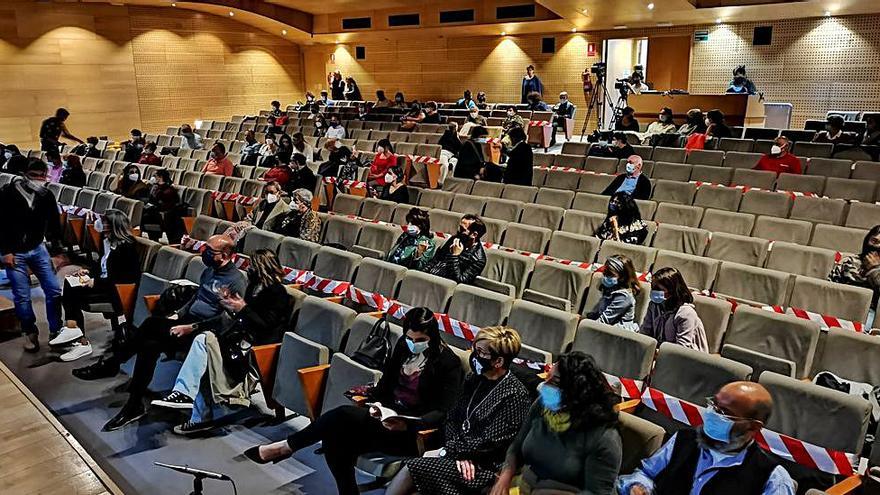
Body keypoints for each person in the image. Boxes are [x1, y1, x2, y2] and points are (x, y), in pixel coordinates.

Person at [245, 307, 464, 495]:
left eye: (421, 340)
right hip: (387, 419)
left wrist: (409, 423)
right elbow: (386, 386)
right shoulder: (402, 347)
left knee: (342, 415)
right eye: (410, 338)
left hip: (412, 432)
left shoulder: (448, 363)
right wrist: (377, 405)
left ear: (432, 336)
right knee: (335, 437)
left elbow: (443, 412)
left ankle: (286, 447)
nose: (413, 344)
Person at [102, 234, 249, 431]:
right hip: (186, 323)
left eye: (209, 251)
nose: (203, 253)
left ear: (224, 255)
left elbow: (227, 321)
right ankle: (133, 403)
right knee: (149, 344)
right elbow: (196, 298)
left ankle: (115, 363)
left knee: (151, 325)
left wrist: (190, 327)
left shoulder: (236, 282)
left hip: (205, 335)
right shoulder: (209, 272)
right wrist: (177, 315)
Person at [153, 249, 293, 434]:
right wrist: (231, 306)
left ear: (261, 267)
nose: (248, 268)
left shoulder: (277, 293)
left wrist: (242, 308)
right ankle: (192, 406)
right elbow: (241, 318)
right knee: (201, 349)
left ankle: (191, 403)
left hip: (255, 350)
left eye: (252, 264)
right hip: (235, 339)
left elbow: (266, 326)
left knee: (202, 343)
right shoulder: (253, 287)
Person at [386, 326, 531, 495]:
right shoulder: (473, 379)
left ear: (498, 362)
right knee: (415, 477)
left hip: (485, 466)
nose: (474, 355)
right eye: (474, 349)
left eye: (481, 352)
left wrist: (449, 451)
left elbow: (490, 441)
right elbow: (452, 418)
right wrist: (455, 451)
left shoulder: (515, 395)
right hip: (459, 453)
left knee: (412, 468)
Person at [617, 381, 796, 495]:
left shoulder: (773, 479)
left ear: (753, 426)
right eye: (714, 405)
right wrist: (638, 487)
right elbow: (645, 473)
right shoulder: (684, 439)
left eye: (725, 413)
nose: (712, 414)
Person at [491, 352, 622, 495]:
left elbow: (596, 492)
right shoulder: (543, 405)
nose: (545, 386)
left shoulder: (604, 437)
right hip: (525, 486)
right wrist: (506, 476)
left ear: (576, 391)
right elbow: (516, 448)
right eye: (547, 378)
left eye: (555, 382)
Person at [54, 210, 139, 361]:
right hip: (103, 283)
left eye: (106, 223)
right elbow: (102, 265)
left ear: (115, 226)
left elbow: (126, 277)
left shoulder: (127, 247)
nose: (101, 225)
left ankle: (78, 337)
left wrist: (96, 282)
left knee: (74, 293)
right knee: (69, 282)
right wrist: (88, 272)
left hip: (116, 289)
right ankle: (74, 332)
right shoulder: (105, 240)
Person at [0, 158, 63, 352]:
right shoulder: (7, 194)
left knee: (53, 290)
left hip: (38, 248)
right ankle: (30, 332)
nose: (40, 180)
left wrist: (58, 251)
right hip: (15, 252)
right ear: (25, 175)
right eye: (36, 176)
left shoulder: (46, 196)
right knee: (22, 297)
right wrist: (5, 251)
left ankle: (56, 330)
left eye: (43, 176)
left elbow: (54, 223)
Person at [639, 267, 709, 352]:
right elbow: (644, 333)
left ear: (672, 290)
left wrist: (654, 353)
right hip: (659, 353)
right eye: (653, 287)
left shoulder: (686, 313)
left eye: (659, 289)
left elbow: (681, 349)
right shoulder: (653, 305)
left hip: (684, 359)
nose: (654, 291)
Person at [829, 225, 880, 320]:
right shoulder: (849, 261)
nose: (877, 247)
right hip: (839, 307)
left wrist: (874, 270)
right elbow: (830, 288)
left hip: (871, 314)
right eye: (874, 241)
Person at [423, 214, 487, 284]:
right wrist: (422, 274)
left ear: (474, 235)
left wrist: (454, 256)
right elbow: (435, 260)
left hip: (444, 286)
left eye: (462, 229)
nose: (458, 231)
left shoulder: (478, 259)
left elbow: (460, 281)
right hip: (431, 277)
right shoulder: (455, 239)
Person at [585, 255, 641, 331]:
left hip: (618, 333)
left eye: (610, 274)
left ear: (622, 277)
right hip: (607, 329)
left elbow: (604, 321)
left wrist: (583, 326)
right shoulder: (610, 289)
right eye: (605, 273)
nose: (605, 276)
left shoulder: (624, 297)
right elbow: (598, 313)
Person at [142, 169, 184, 243]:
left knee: (148, 215)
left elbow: (165, 204)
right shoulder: (156, 187)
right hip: (155, 211)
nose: (154, 178)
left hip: (165, 215)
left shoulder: (169, 190)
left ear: (160, 177)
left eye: (155, 176)